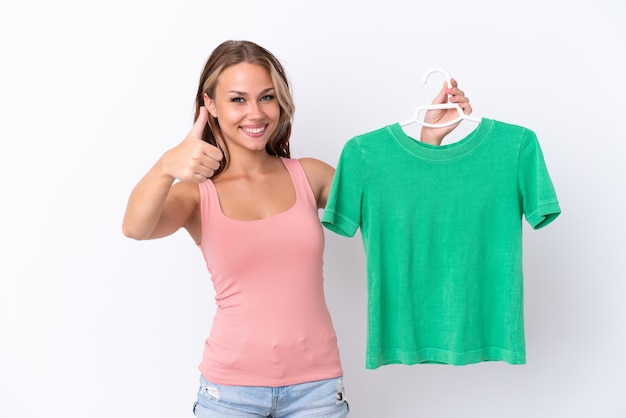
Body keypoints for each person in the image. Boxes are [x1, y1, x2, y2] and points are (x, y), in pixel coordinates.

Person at [122, 40, 474, 417]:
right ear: (210, 104)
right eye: (238, 99)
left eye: (267, 97)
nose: (255, 113)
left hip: (316, 391)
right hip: (230, 392)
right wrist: (165, 166)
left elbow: (397, 214)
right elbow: (136, 228)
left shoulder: (309, 175)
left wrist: (429, 142)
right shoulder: (196, 194)